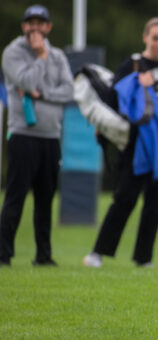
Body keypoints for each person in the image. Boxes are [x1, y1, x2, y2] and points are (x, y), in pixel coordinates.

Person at [83, 17, 158, 268]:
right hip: (136, 145)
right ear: (145, 38)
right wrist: (137, 83)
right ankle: (98, 252)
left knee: (155, 203)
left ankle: (143, 258)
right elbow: (112, 98)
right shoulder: (132, 64)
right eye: (155, 38)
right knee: (124, 199)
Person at [0, 5, 74, 267]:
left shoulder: (58, 55)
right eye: (30, 23)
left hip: (51, 137)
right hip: (23, 134)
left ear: (48, 27)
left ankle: (43, 255)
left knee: (45, 198)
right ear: (24, 27)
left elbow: (68, 91)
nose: (35, 28)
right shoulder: (12, 53)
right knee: (16, 196)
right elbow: (26, 83)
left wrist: (44, 95)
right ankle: (3, 254)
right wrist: (40, 58)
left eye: (40, 23)